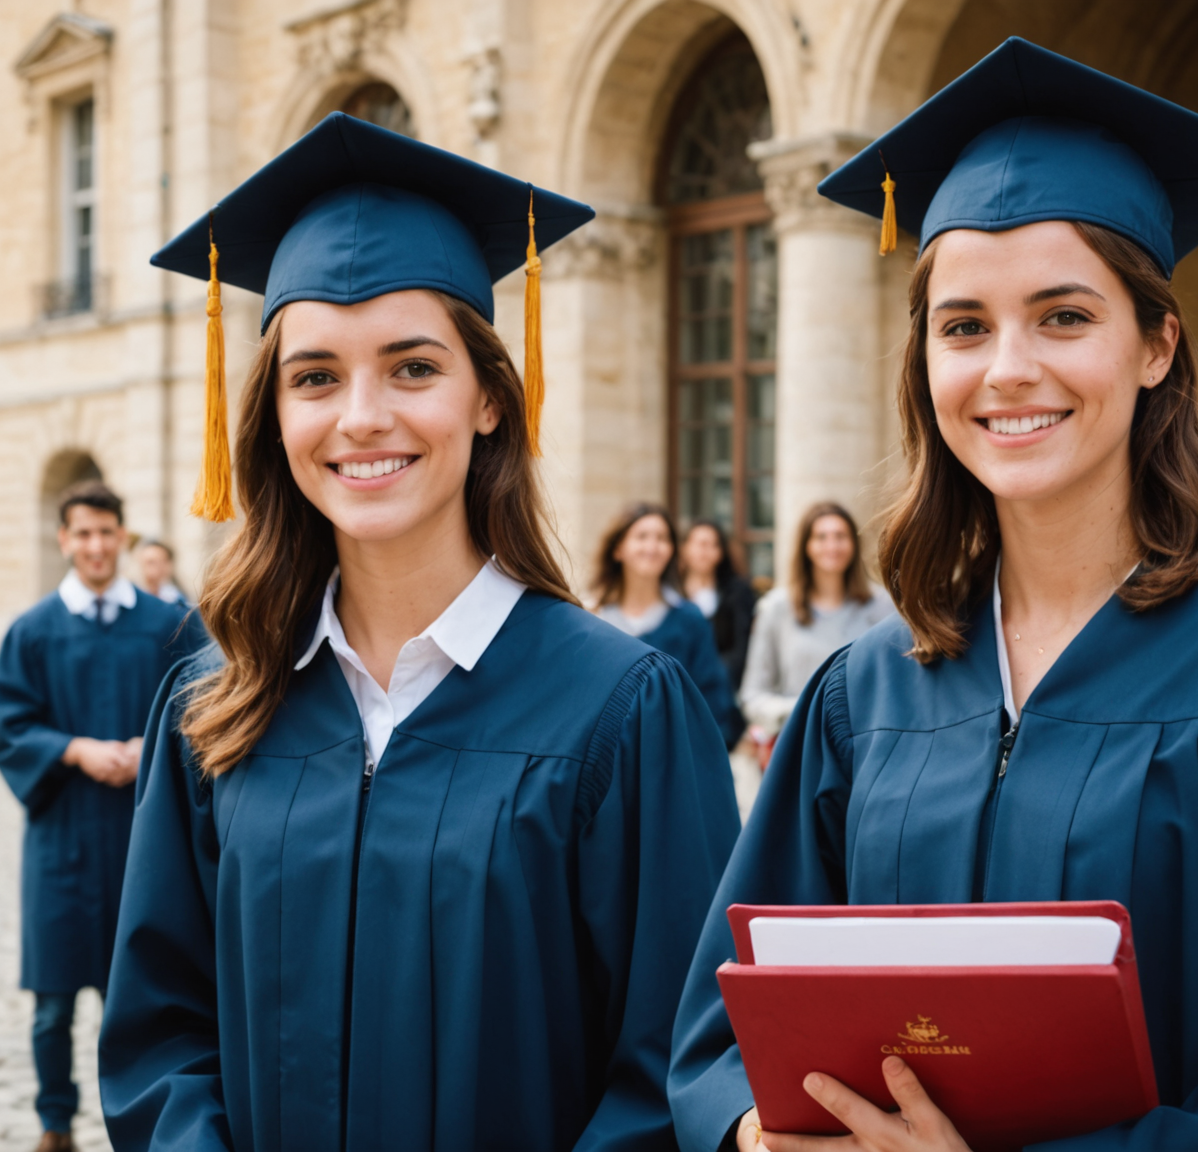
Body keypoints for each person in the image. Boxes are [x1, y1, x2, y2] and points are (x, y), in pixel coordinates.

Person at [669, 38, 1198, 1152]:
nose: (1007, 369)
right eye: (964, 326)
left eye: (1065, 316)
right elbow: (719, 1029)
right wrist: (756, 1131)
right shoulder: (863, 695)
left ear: (1157, 345)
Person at [97, 112, 741, 1151]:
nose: (360, 416)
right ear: (274, 416)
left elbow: (676, 1064)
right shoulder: (215, 709)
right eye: (315, 377)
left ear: (488, 399)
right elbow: (161, 1038)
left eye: (412, 368)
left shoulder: (621, 712)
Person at [0, 481, 209, 1152]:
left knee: (148, 996)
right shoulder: (32, 631)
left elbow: (211, 706)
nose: (95, 546)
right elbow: (9, 727)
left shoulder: (169, 625)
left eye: (106, 533)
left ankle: (145, 1127)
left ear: (122, 537)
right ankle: (55, 1124)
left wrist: (154, 748)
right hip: (63, 839)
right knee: (52, 1006)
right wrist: (75, 750)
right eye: (82, 533)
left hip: (149, 843)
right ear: (64, 540)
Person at [738, 503, 894, 743]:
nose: (832, 546)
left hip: (865, 744)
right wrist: (806, 711)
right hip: (799, 743)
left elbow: (894, 686)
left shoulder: (883, 606)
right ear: (806, 546)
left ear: (854, 544)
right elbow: (753, 696)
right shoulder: (775, 608)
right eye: (821, 537)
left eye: (840, 536)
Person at [592, 503, 741, 748]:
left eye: (662, 538)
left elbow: (710, 701)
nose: (652, 547)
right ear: (618, 549)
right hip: (606, 760)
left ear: (672, 550)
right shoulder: (595, 621)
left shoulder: (690, 619)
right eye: (642, 536)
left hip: (672, 756)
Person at [681, 520, 757, 703]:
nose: (705, 551)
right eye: (700, 544)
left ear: (721, 552)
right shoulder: (670, 594)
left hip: (724, 691)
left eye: (712, 545)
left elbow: (742, 647)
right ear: (685, 548)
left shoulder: (738, 593)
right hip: (679, 687)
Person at [131, 538, 188, 607]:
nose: (155, 567)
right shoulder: (131, 596)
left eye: (160, 562)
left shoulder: (177, 599)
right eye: (150, 562)